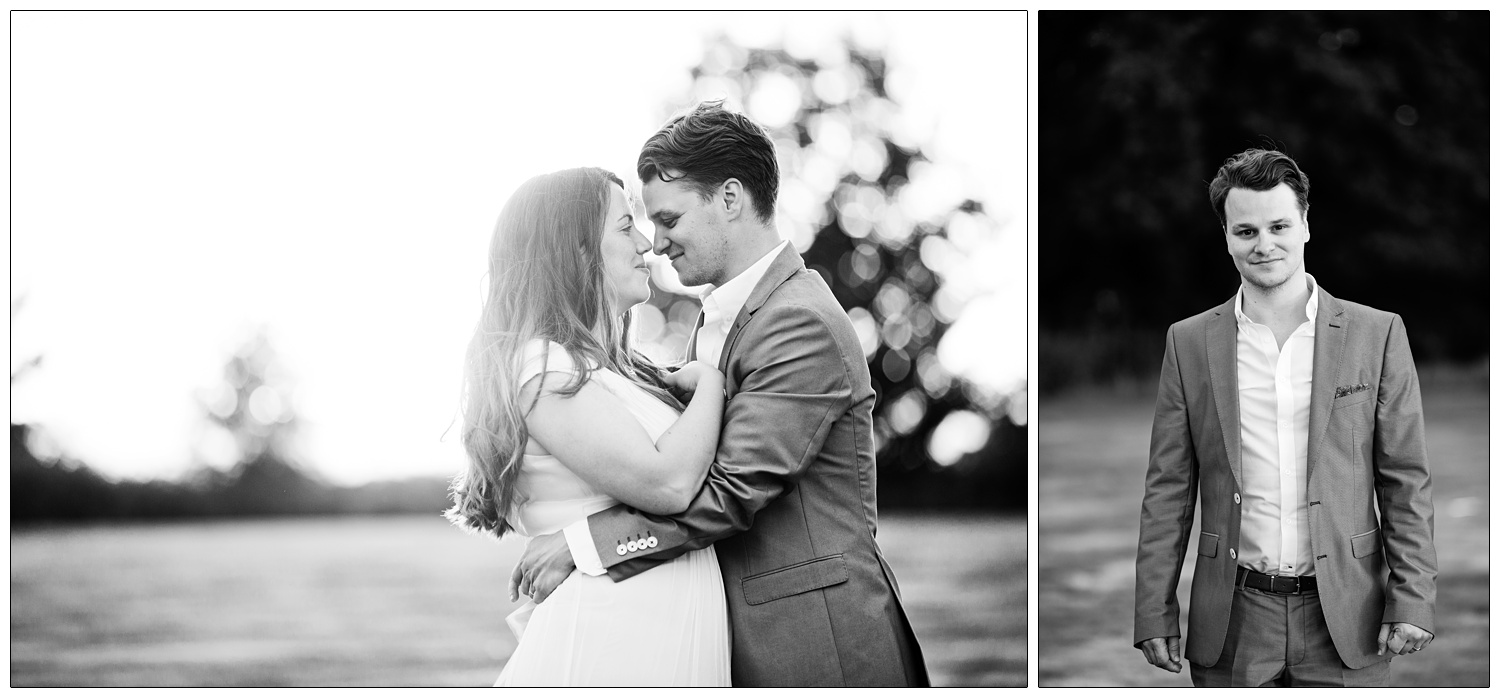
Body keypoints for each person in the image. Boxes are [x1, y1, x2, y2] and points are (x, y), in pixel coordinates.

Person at [509, 101, 929, 687]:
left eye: (669, 219)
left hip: (816, 642)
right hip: (736, 638)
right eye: (643, 223)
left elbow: (732, 489)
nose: (657, 243)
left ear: (729, 199)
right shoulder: (720, 320)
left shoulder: (797, 321)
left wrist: (585, 544)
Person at [1133, 148, 1437, 687]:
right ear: (1226, 237)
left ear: (1305, 226)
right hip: (1233, 618)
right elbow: (1168, 489)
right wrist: (1153, 609)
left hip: (1348, 614)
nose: (1264, 244)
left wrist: (1412, 597)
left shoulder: (1378, 333)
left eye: (1278, 225)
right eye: (1245, 231)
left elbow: (1404, 479)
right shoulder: (1189, 343)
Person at [446, 166, 731, 686]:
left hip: (652, 637)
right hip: (610, 644)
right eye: (626, 227)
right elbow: (668, 483)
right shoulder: (541, 367)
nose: (646, 243)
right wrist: (711, 386)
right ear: (575, 250)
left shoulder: (611, 370)